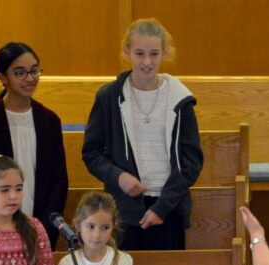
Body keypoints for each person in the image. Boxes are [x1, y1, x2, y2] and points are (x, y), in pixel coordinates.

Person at [82, 18, 203, 250]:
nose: (147, 62)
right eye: (139, 53)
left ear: (165, 53)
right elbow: (92, 153)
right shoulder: (108, 97)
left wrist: (162, 207)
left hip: (169, 208)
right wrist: (119, 177)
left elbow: (192, 161)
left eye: (154, 54)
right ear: (127, 51)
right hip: (123, 211)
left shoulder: (181, 99)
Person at [0, 42, 68, 249]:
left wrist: (45, 228)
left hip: (41, 226)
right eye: (20, 73)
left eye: (34, 71)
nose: (30, 78)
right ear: (3, 77)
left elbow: (59, 180)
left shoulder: (49, 120)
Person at [58, 191, 133, 265]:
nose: (97, 235)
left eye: (105, 227)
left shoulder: (123, 261)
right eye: (90, 226)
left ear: (113, 227)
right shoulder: (67, 263)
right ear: (78, 225)